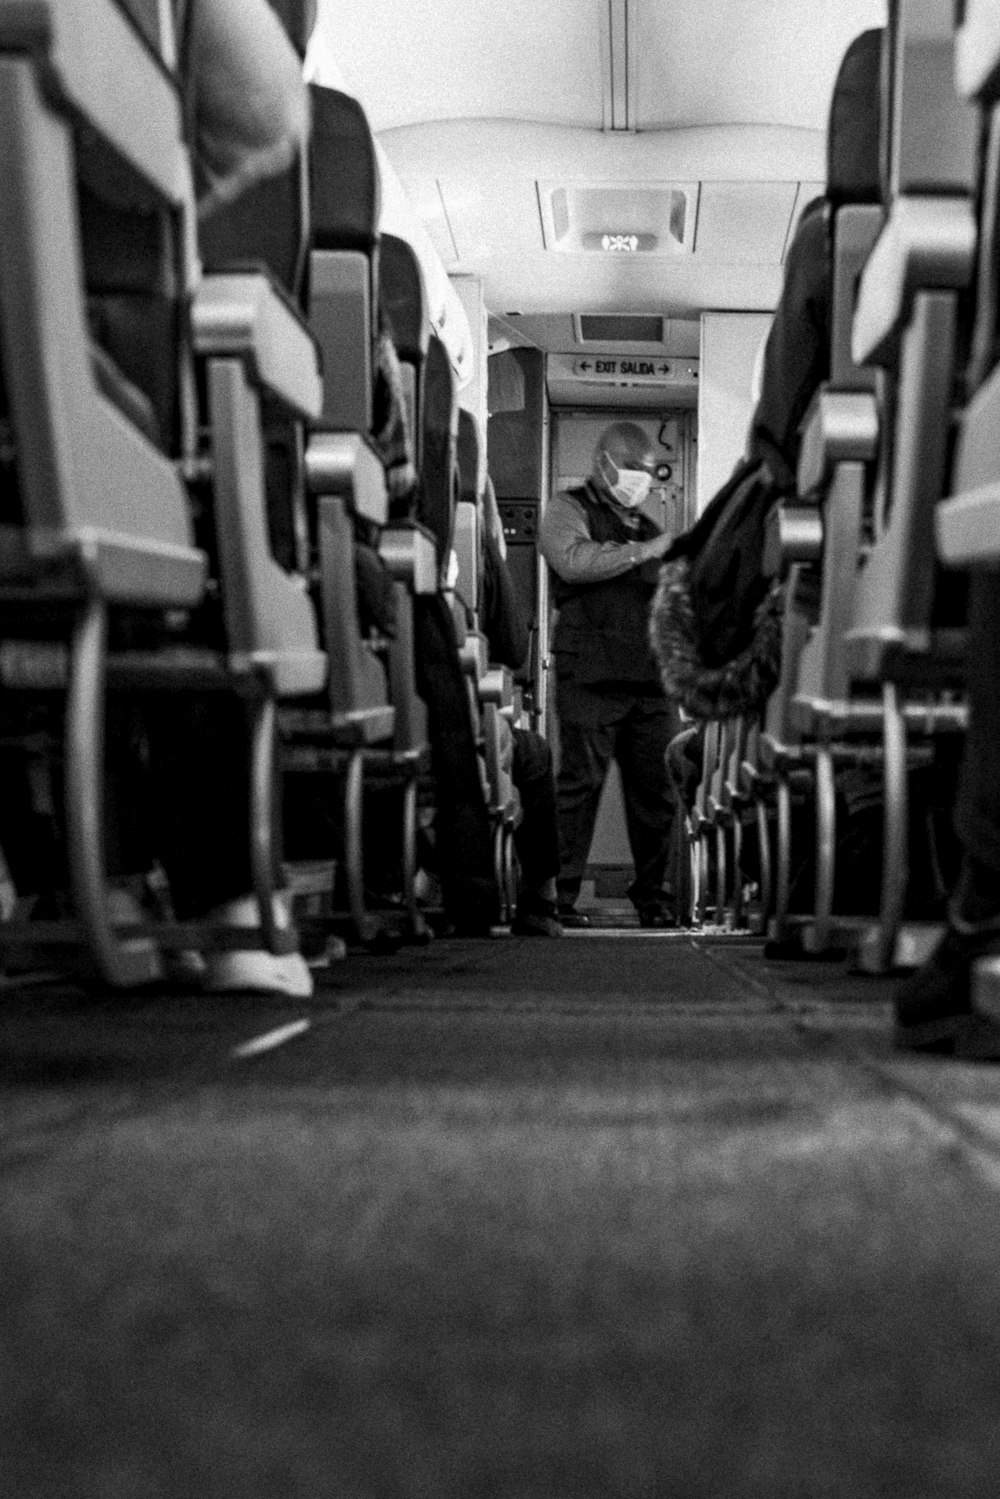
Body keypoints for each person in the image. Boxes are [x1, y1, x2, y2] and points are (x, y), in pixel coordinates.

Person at [539, 421, 677, 928]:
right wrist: (647, 553)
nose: (641, 480)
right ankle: (560, 896)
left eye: (647, 473)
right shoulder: (566, 509)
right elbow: (573, 562)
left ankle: (655, 899)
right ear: (604, 465)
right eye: (633, 471)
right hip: (589, 675)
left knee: (657, 795)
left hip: (649, 679)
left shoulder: (647, 526)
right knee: (578, 788)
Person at [479, 487, 563, 938]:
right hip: (457, 721)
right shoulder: (478, 547)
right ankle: (540, 896)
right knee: (533, 752)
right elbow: (512, 647)